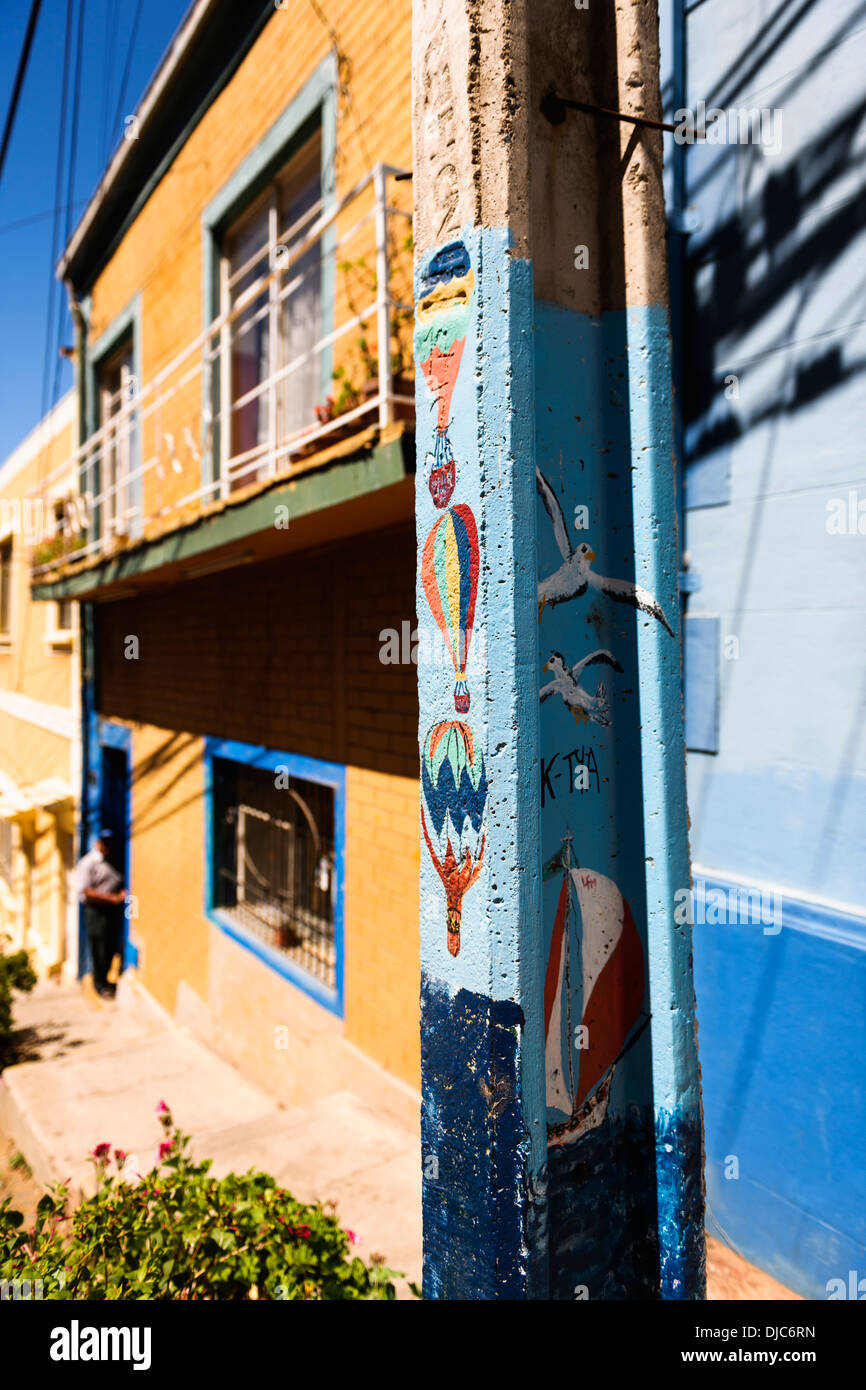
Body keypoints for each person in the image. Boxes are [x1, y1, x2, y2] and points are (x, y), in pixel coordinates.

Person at [76, 829, 126, 999]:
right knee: (99, 947)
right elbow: (86, 891)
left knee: (110, 945)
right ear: (98, 843)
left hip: (111, 910)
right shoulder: (88, 863)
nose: (107, 846)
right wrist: (111, 898)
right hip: (96, 910)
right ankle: (100, 984)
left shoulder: (112, 861)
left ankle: (104, 980)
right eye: (104, 842)